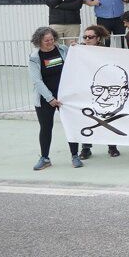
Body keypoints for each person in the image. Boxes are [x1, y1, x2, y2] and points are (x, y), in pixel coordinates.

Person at [29, 27, 83, 172]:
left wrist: (76, 48)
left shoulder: (63, 49)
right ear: (39, 41)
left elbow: (76, 61)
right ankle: (44, 158)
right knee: (46, 128)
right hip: (45, 99)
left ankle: (75, 155)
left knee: (70, 126)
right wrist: (50, 98)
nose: (50, 43)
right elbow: (37, 81)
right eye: (46, 41)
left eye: (52, 39)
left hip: (65, 97)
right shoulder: (34, 57)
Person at [75, 26, 120, 161]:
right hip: (86, 89)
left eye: (91, 37)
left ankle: (112, 146)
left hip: (104, 89)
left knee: (108, 116)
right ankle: (86, 148)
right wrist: (73, 48)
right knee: (86, 118)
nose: (87, 39)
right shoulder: (79, 50)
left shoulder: (106, 51)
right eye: (85, 37)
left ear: (98, 38)